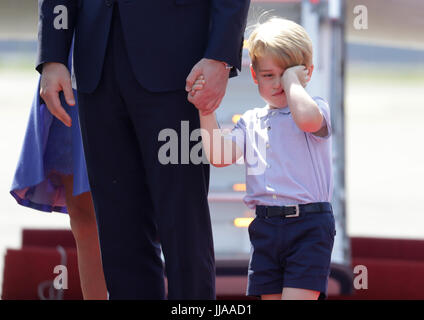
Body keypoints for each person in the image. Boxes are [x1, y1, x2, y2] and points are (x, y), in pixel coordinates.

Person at [37, 0, 250, 299]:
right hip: (96, 72)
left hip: (179, 72)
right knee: (119, 230)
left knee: (184, 225)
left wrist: (220, 54)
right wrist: (53, 54)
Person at [191, 18, 336, 300]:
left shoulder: (315, 108)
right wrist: (205, 109)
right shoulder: (251, 121)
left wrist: (294, 83)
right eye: (269, 75)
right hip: (266, 228)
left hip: (308, 225)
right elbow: (219, 156)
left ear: (307, 73)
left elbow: (306, 121)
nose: (279, 83)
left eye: (287, 74)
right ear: (255, 77)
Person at [10, 41, 107, 300]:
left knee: (142, 214)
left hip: (145, 42)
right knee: (84, 217)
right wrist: (52, 57)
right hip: (76, 51)